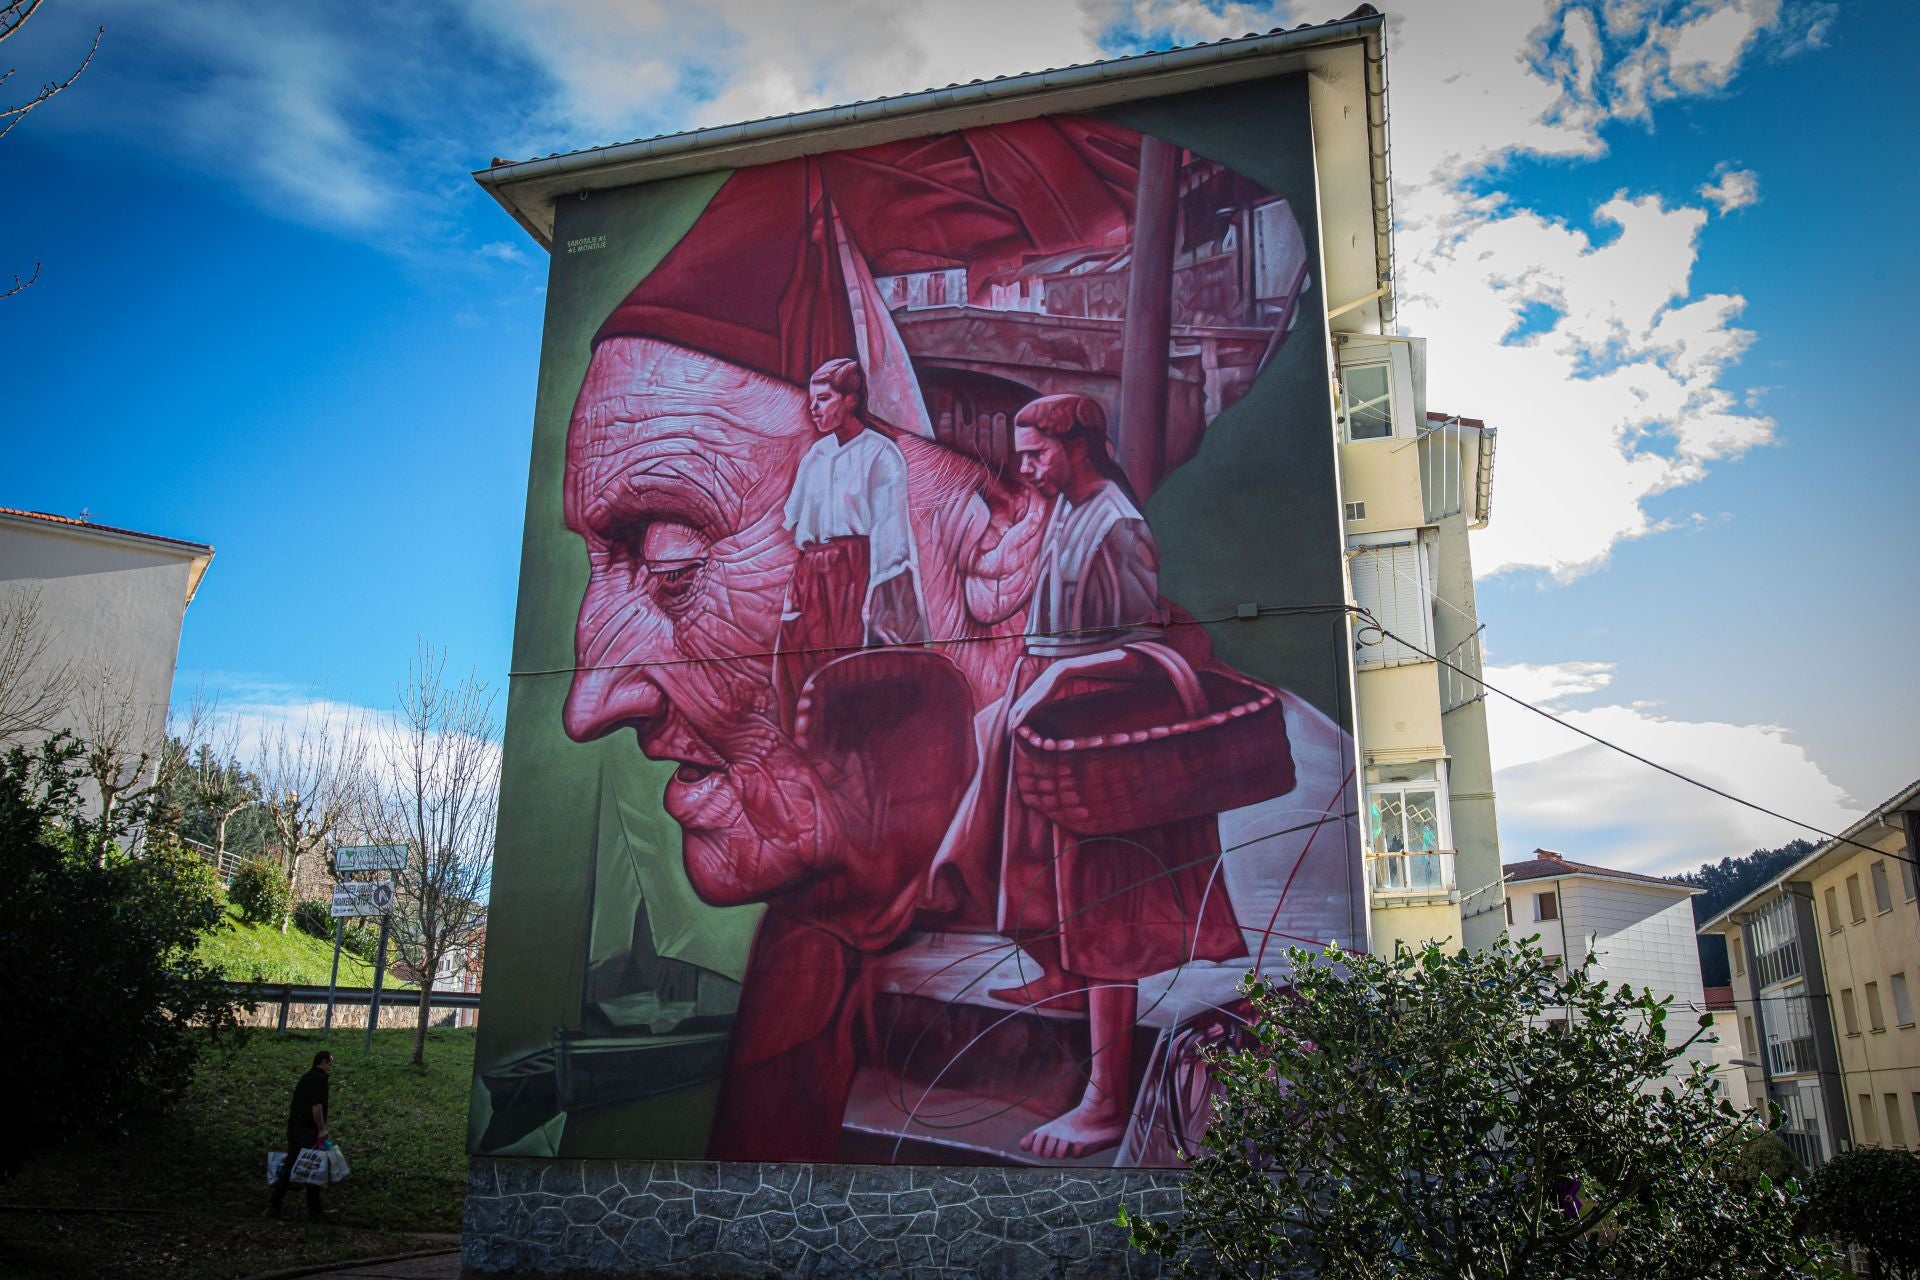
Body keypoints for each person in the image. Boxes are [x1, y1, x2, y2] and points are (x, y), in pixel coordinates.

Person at [930, 393, 1248, 1161]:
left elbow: (1149, 645)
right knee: (1014, 861)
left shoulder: (1117, 525)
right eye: (1024, 451)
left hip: (1098, 736)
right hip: (1046, 714)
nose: (1025, 465)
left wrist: (1053, 684)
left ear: (1080, 445)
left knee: (1104, 907)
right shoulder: (1066, 508)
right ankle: (1052, 972)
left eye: (1037, 451)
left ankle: (1104, 1102)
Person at [773, 357, 928, 723]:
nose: (814, 408)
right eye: (813, 399)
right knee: (797, 665)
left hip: (856, 572)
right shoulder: (816, 456)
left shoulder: (882, 455)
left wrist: (875, 595)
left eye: (824, 398)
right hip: (812, 574)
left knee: (845, 668)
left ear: (851, 401)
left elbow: (890, 535)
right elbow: (796, 525)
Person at [266, 1050, 334, 1219]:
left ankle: (278, 1206)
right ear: (323, 1062)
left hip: (295, 1128)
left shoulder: (306, 1077)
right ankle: (311, 1210)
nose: (331, 1067)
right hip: (307, 1130)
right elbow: (316, 1106)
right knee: (307, 1166)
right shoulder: (319, 1080)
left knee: (297, 1166)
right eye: (330, 1063)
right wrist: (321, 1129)